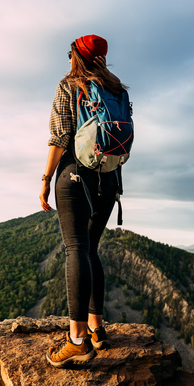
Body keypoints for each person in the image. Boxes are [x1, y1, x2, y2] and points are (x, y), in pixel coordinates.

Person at [39, 34, 128, 368]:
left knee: (75, 248)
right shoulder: (117, 89)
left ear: (76, 55)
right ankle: (97, 328)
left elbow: (60, 138)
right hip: (109, 178)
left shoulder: (69, 86)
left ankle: (76, 340)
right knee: (91, 249)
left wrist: (46, 180)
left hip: (75, 176)